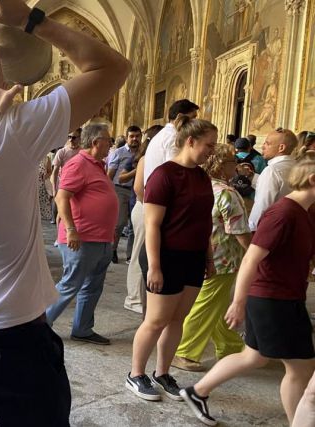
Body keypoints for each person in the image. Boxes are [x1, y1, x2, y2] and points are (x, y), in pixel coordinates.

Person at [0, 1, 130, 424]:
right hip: (8, 334)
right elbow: (113, 67)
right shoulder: (16, 132)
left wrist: (1, 105)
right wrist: (31, 20)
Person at [181, 153, 315, 426]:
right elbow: (252, 258)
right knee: (300, 368)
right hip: (274, 300)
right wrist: (238, 302)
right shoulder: (283, 213)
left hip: (282, 297)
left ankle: (197, 391)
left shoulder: (306, 212)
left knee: (254, 357)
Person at [127, 116, 217, 402]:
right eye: (208, 145)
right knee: (156, 320)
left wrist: (209, 257)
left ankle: (162, 372)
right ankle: (136, 374)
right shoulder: (164, 175)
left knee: (178, 318)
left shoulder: (202, 176)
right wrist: (154, 266)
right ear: (190, 141)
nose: (211, 151)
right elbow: (153, 225)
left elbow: (204, 221)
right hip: (164, 255)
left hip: (192, 256)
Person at [172, 144, 249, 372]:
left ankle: (230, 346)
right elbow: (239, 231)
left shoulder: (202, 187)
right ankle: (184, 350)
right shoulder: (227, 193)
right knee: (205, 306)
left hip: (200, 253)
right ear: (222, 165)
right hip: (223, 257)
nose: (235, 167)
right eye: (232, 162)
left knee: (217, 304)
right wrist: (255, 254)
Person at [46, 123, 118, 344]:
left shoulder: (97, 165)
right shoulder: (78, 163)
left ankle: (83, 329)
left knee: (92, 285)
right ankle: (37, 327)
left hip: (101, 238)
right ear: (96, 142)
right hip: (82, 238)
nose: (111, 143)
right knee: (70, 284)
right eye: (109, 139)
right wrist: (71, 230)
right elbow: (62, 197)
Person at [124, 124, 163, 314]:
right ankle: (134, 298)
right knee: (140, 251)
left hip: (152, 209)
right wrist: (152, 205)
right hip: (144, 208)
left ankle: (144, 296)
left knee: (149, 253)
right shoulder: (146, 159)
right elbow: (139, 188)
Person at [246, 127, 298, 231]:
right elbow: (278, 188)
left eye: (267, 143)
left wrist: (252, 230)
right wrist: (252, 177)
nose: (263, 146)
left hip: (271, 229)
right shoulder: (297, 166)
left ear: (281, 148)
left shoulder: (272, 171)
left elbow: (263, 205)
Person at [143, 99, 200, 185]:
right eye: (193, 118)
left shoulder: (163, 134)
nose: (195, 122)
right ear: (180, 117)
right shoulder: (174, 137)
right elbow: (174, 171)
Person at [108, 125, 142, 263]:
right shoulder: (119, 152)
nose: (134, 139)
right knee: (120, 222)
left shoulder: (143, 152)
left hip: (137, 190)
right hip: (120, 189)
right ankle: (112, 249)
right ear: (127, 137)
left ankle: (130, 255)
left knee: (134, 225)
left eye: (137, 136)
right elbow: (110, 174)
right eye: (131, 136)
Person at [51, 128, 83, 223]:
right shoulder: (62, 152)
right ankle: (59, 236)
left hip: (78, 186)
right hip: (63, 185)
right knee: (61, 213)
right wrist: (54, 189)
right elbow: (55, 172)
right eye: (69, 137)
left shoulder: (82, 152)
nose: (70, 140)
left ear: (79, 138)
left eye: (73, 137)